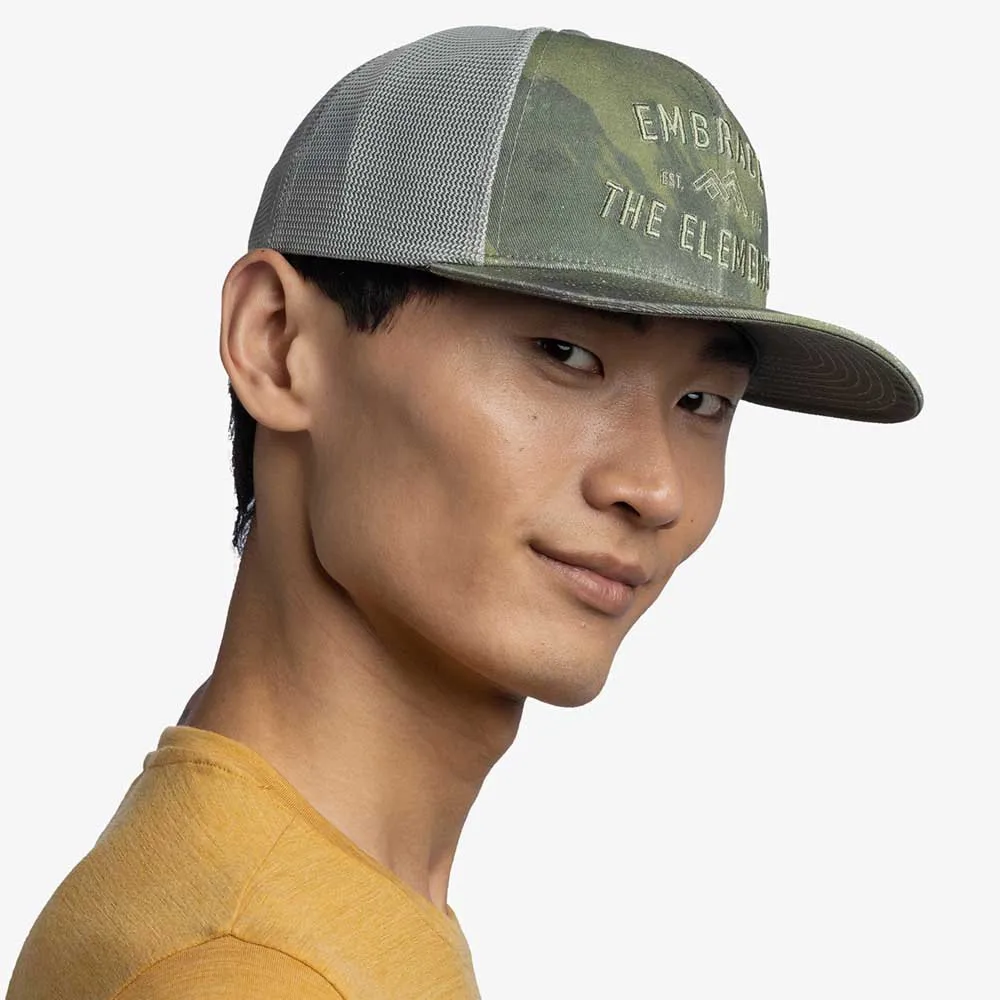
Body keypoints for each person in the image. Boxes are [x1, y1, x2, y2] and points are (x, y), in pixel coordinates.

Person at [5, 24, 922, 1000]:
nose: (655, 488)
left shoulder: (318, 904)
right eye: (565, 355)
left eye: (703, 402)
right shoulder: (246, 970)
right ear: (274, 344)